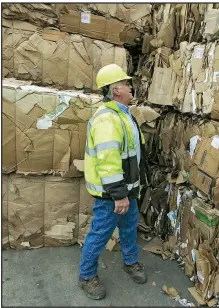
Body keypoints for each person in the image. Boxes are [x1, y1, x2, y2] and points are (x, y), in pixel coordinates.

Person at [79, 64, 147, 300]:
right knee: (100, 233)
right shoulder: (107, 119)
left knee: (129, 228)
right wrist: (118, 195)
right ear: (116, 90)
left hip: (128, 189)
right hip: (112, 194)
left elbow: (133, 153)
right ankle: (86, 275)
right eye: (127, 84)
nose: (131, 87)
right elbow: (108, 161)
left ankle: (130, 261)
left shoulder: (123, 114)